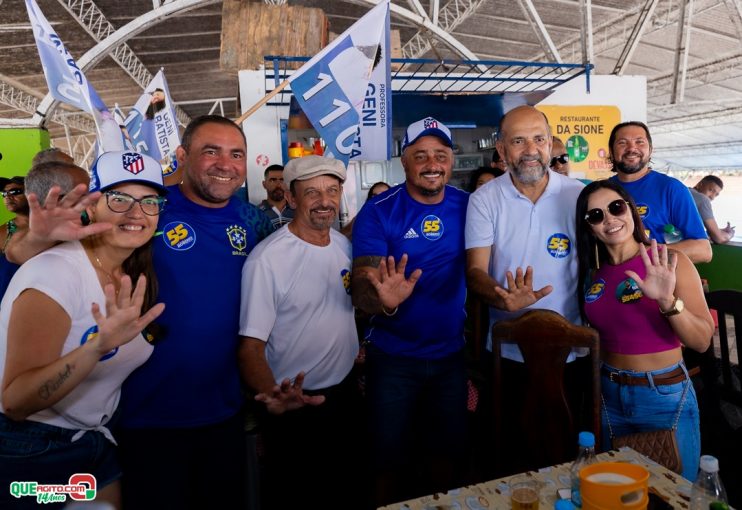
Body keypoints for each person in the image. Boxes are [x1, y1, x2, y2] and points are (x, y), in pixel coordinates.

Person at [114, 115, 272, 509]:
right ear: (182, 155)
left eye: (236, 154)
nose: (225, 164)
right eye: (211, 151)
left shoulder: (254, 220)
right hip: (146, 415)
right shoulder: (148, 212)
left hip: (224, 412)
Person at [0, 150, 167, 509]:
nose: (136, 213)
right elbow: (15, 401)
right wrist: (97, 347)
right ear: (90, 206)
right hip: (33, 451)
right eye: (119, 199)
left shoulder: (131, 273)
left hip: (94, 444)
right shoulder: (56, 272)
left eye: (149, 201)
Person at [352, 117, 469, 506]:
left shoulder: (470, 206)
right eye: (420, 155)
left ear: (451, 161)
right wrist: (381, 301)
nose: (431, 163)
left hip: (451, 356)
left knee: (447, 455)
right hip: (393, 359)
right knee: (386, 459)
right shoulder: (380, 210)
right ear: (404, 161)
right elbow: (361, 287)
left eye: (440, 154)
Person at [465, 105, 587, 475]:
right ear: (501, 150)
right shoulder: (484, 200)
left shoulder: (579, 195)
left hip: (574, 352)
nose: (530, 149)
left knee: (571, 453)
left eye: (538, 138)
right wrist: (502, 296)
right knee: (510, 456)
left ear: (550, 144)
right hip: (508, 352)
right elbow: (474, 272)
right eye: (518, 141)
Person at [239, 156, 364, 509]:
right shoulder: (268, 260)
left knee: (347, 487)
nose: (325, 201)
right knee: (297, 494)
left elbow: (338, 310)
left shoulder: (343, 246)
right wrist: (274, 398)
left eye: (332, 191)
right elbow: (249, 348)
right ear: (291, 199)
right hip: (295, 405)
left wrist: (354, 344)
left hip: (345, 393)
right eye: (312, 192)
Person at [576, 179, 713, 481]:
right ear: (589, 227)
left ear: (632, 211)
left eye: (615, 207)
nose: (609, 219)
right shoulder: (593, 276)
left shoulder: (671, 261)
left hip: (663, 396)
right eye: (596, 215)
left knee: (673, 496)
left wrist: (667, 300)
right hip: (609, 397)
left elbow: (702, 341)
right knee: (621, 494)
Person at [607, 121, 712, 263]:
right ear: (611, 151)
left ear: (650, 150)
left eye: (639, 142)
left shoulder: (671, 188)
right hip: (609, 280)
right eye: (622, 143)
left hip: (657, 281)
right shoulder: (603, 191)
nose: (632, 148)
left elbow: (703, 250)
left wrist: (644, 254)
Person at [0, 176, 28, 299]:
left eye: (15, 192)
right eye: (4, 194)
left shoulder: (54, 226)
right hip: (7, 305)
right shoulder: (5, 231)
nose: (8, 197)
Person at [689, 175, 735, 244]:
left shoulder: (686, 191)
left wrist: (718, 231)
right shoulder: (703, 199)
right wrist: (730, 234)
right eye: (710, 190)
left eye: (716, 194)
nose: (712, 197)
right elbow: (719, 238)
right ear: (700, 184)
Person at [258, 164, 295, 229]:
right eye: (273, 180)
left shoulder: (298, 210)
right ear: (264, 184)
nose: (278, 185)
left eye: (282, 180)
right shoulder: (256, 213)